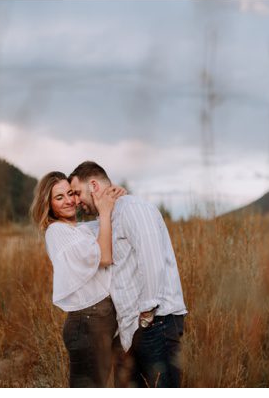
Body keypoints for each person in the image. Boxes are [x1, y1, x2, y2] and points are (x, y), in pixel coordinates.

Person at [68, 161, 188, 388]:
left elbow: (152, 262)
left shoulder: (133, 208)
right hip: (131, 330)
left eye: (77, 193)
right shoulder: (106, 220)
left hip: (155, 323)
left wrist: (146, 315)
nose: (75, 201)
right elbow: (71, 234)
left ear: (93, 185)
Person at [30, 171, 126, 387]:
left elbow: (105, 223)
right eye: (59, 197)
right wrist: (104, 210)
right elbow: (105, 256)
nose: (69, 201)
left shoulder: (79, 230)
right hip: (87, 324)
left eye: (71, 193)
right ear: (49, 204)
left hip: (100, 322)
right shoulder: (56, 231)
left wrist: (112, 195)